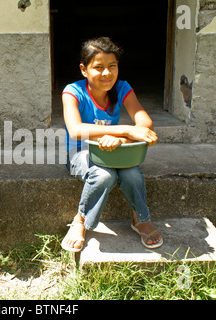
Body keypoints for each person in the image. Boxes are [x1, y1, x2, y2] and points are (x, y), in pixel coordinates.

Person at [61, 37, 163, 252]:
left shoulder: (122, 88)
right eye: (98, 67)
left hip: (114, 149)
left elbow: (144, 122)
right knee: (104, 175)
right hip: (80, 151)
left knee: (132, 174)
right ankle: (80, 220)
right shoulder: (73, 92)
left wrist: (121, 140)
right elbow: (76, 130)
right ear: (84, 69)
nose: (107, 73)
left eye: (112, 66)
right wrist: (125, 130)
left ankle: (141, 219)